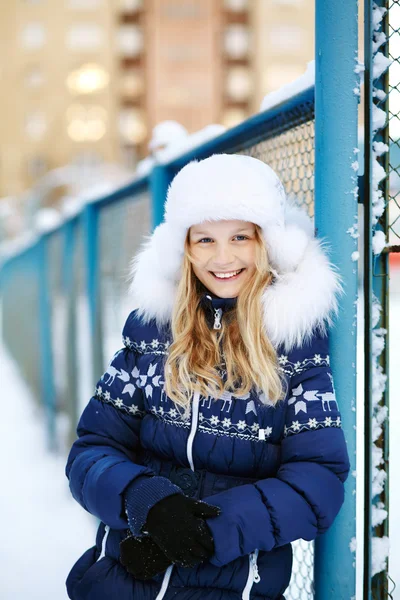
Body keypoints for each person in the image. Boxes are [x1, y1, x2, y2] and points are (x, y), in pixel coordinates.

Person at [65, 154, 350, 600]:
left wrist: (204, 532)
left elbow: (318, 478)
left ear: (266, 243)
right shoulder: (151, 333)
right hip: (124, 577)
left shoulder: (295, 346)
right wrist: (146, 503)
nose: (223, 257)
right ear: (184, 249)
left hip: (234, 584)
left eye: (240, 237)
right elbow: (93, 449)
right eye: (204, 240)